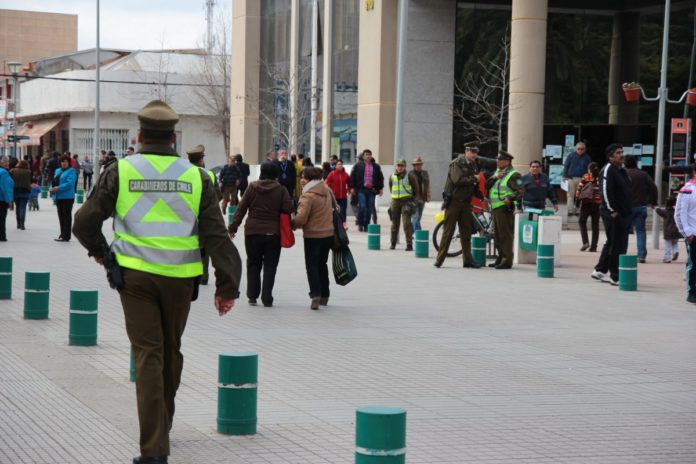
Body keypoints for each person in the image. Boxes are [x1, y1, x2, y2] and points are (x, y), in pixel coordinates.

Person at [73, 99, 242, 464]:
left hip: (134, 279)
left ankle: (154, 450)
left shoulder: (121, 170)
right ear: (173, 138)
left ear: (139, 134)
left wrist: (102, 252)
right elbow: (216, 235)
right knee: (171, 351)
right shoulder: (196, 177)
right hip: (180, 280)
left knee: (149, 354)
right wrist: (227, 286)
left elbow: (83, 222)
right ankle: (161, 429)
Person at [229, 162, 293, 307]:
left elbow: (241, 208)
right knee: (270, 265)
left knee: (253, 263)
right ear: (276, 174)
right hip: (273, 233)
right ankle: (266, 297)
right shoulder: (281, 190)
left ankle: (252, 296)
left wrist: (233, 227)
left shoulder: (252, 187)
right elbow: (288, 208)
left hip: (252, 232)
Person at [292, 167, 335, 310]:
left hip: (313, 236)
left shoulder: (308, 195)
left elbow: (301, 218)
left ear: (310, 178)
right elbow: (337, 208)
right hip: (328, 234)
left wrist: (292, 224)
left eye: (304, 178)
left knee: (312, 266)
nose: (302, 181)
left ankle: (315, 294)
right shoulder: (327, 191)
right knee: (322, 265)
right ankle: (325, 295)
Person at [591, 144, 632, 286]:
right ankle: (616, 276)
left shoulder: (621, 170)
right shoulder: (608, 169)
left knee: (613, 242)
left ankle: (600, 270)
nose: (622, 155)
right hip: (612, 213)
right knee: (616, 244)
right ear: (610, 156)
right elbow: (605, 191)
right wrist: (611, 210)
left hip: (623, 213)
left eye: (622, 152)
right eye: (618, 153)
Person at [434, 146, 482, 269]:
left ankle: (468, 261)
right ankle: (439, 260)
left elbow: (473, 185)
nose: (474, 154)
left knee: (466, 233)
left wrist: (480, 195)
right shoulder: (457, 163)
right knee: (448, 232)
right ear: (466, 151)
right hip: (454, 202)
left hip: (466, 203)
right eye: (472, 152)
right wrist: (474, 178)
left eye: (476, 152)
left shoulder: (473, 165)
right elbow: (457, 180)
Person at [186, 144, 222, 286]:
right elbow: (218, 195)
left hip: (187, 216)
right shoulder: (210, 174)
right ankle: (204, 275)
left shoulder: (183, 174)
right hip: (205, 216)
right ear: (201, 160)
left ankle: (190, 273)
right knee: (204, 246)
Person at [486, 150, 523, 269]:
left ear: (507, 161)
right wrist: (495, 177)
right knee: (497, 236)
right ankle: (500, 258)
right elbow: (487, 185)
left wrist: (510, 198)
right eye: (497, 159)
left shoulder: (514, 174)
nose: (497, 162)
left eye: (500, 160)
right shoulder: (498, 172)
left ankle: (507, 261)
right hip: (496, 207)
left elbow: (521, 191)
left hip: (505, 208)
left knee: (505, 235)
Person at [625, 156, 658, 263]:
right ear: (636, 163)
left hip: (626, 207)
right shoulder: (643, 174)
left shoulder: (623, 173)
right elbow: (653, 187)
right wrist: (653, 201)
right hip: (641, 206)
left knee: (623, 231)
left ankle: (622, 253)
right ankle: (641, 255)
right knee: (640, 231)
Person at [675, 164, 696, 303]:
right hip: (693, 234)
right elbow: (679, 214)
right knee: (693, 264)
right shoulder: (687, 189)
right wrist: (687, 233)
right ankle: (691, 292)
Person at [349, 149, 384, 232]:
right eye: (366, 155)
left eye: (369, 155)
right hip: (361, 189)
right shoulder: (358, 166)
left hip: (372, 190)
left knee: (370, 208)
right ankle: (360, 223)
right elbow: (352, 177)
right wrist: (352, 187)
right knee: (363, 206)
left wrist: (381, 188)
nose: (368, 156)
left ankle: (366, 224)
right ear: (363, 157)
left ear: (371, 156)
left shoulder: (376, 166)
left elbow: (380, 178)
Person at [388, 159, 418, 251]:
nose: (400, 167)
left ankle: (409, 244)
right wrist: (394, 197)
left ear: (405, 167)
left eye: (402, 166)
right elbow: (391, 187)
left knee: (406, 223)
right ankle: (393, 243)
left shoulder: (409, 176)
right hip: (395, 201)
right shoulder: (392, 176)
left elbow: (415, 188)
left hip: (406, 201)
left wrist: (413, 200)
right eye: (398, 166)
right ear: (396, 166)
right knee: (394, 224)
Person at [575, 162, 601, 252]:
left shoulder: (586, 177)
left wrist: (577, 200)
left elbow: (579, 188)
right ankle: (594, 246)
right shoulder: (601, 177)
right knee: (595, 226)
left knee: (582, 221)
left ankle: (585, 242)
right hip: (597, 204)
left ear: (589, 169)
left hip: (586, 203)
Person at [50, 155, 77, 242]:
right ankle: (62, 234)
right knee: (61, 216)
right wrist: (51, 188)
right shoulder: (57, 171)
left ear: (68, 162)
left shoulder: (72, 171)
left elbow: (70, 184)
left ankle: (66, 236)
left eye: (65, 161)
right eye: (62, 161)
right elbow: (54, 181)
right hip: (58, 197)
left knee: (66, 216)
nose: (63, 163)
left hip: (67, 197)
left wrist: (58, 188)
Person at [562, 142, 591, 217]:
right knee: (570, 195)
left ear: (585, 149)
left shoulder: (587, 157)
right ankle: (570, 210)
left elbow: (589, 168)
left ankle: (578, 210)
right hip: (571, 178)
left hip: (582, 179)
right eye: (578, 149)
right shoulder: (570, 156)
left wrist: (589, 178)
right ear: (576, 149)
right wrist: (564, 176)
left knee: (581, 195)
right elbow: (566, 166)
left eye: (582, 149)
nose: (580, 150)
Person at [324, 159, 351, 229]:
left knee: (343, 210)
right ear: (335, 166)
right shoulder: (332, 174)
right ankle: (332, 223)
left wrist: (349, 189)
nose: (340, 165)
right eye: (338, 164)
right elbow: (326, 183)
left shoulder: (345, 174)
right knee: (333, 210)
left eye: (341, 164)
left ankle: (343, 223)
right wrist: (330, 188)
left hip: (343, 196)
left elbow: (350, 182)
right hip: (334, 197)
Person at [408, 156, 431, 231]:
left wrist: (428, 195)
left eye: (419, 164)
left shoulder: (425, 173)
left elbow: (428, 185)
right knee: (416, 217)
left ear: (421, 165)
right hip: (414, 198)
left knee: (418, 218)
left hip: (422, 198)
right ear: (414, 165)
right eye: (416, 164)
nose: (418, 166)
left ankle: (410, 233)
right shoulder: (410, 174)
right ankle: (420, 234)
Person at [656, 196, 680, 263]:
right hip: (676, 230)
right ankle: (675, 251)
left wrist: (656, 207)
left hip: (668, 231)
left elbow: (658, 211)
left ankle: (667, 258)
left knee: (667, 244)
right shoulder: (677, 211)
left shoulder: (665, 212)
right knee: (675, 243)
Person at [10, 159, 32, 230]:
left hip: (15, 190)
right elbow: (31, 181)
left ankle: (18, 224)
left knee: (17, 207)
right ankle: (22, 224)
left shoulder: (13, 171)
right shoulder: (29, 172)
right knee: (23, 207)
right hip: (25, 191)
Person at [0, 157, 14, 242]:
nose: (7, 163)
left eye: (8, 161)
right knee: (2, 218)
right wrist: (9, 200)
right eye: (5, 161)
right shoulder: (4, 172)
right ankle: (2, 236)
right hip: (1, 199)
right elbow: (5, 188)